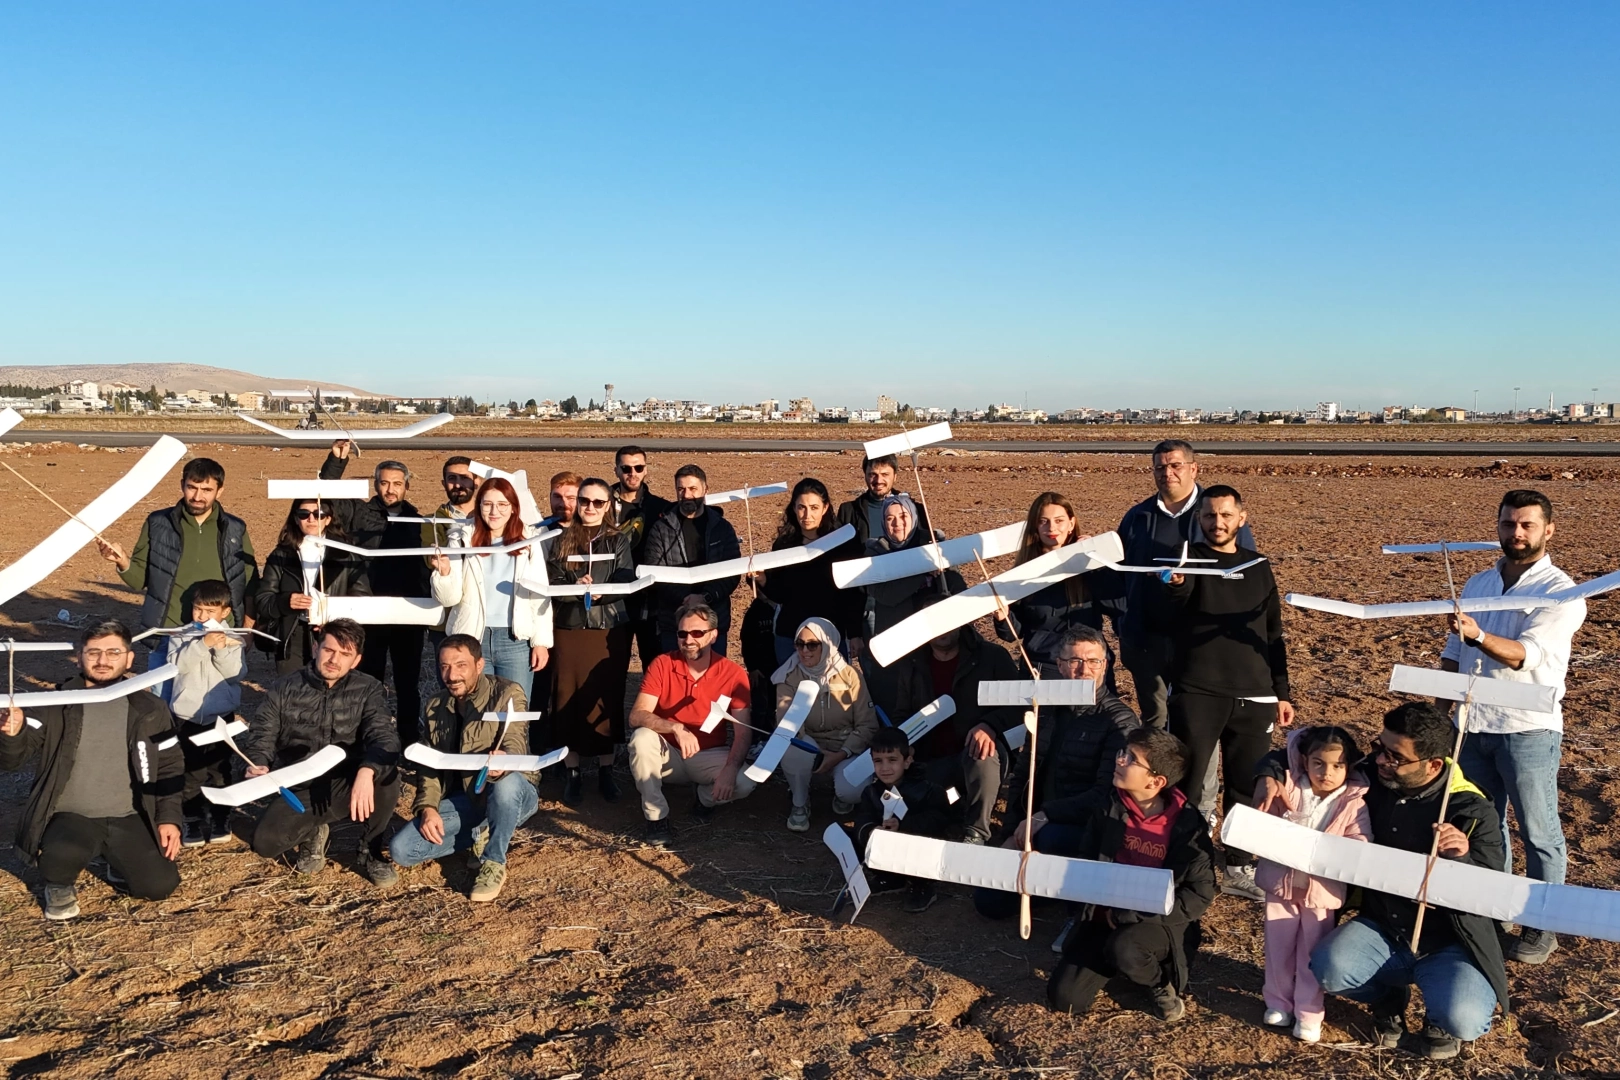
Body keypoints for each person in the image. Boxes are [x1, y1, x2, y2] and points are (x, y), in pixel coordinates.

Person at [1262, 702, 1508, 1061]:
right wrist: (1268, 773)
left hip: (1449, 941)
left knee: (1464, 1018)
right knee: (1329, 968)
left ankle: (1439, 1020)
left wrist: (1462, 857)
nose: (1380, 760)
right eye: (1380, 747)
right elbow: (1299, 755)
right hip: (1383, 928)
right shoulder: (1370, 780)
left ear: (1433, 765)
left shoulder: (1471, 810)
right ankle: (1387, 998)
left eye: (1395, 757)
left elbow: (1492, 892)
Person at [1440, 489, 1586, 966]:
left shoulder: (1562, 593)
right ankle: (1493, 911)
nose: (1516, 533)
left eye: (1527, 525)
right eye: (1508, 524)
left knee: (1539, 831)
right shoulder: (1479, 583)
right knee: (1486, 825)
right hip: (1472, 723)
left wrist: (1478, 635)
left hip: (1527, 729)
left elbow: (1526, 656)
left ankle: (1543, 924)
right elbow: (1453, 652)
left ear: (1549, 530)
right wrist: (1440, 714)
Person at [1156, 484, 1293, 901]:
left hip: (1255, 695)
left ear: (1241, 518)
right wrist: (1175, 584)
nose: (1218, 522)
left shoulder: (1259, 566)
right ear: (1199, 519)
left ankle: (1237, 864)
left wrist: (1281, 691)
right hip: (1199, 692)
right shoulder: (1187, 561)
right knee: (1188, 780)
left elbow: (1272, 634)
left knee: (1245, 786)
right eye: (1210, 515)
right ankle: (1182, 860)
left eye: (1226, 515)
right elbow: (1170, 610)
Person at [0, 621, 183, 920]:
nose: (103, 660)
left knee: (159, 885)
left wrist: (169, 818)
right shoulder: (54, 704)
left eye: (113, 652)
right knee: (61, 854)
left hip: (129, 815)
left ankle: (117, 863)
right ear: (79, 657)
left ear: (129, 659)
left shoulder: (151, 709)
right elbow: (12, 761)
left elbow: (170, 764)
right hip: (70, 815)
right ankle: (58, 884)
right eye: (93, 652)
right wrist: (13, 733)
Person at [1042, 729, 1216, 1023]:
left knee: (1125, 947)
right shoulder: (1110, 806)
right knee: (1066, 999)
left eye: (1131, 759)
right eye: (1123, 752)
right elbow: (1087, 861)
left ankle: (1159, 983)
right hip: (1105, 916)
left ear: (1156, 781)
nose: (1119, 760)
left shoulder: (1188, 828)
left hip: (1157, 922)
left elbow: (1198, 895)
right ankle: (1114, 960)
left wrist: (1131, 915)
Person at [242, 619, 402, 887]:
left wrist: (367, 770)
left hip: (347, 782)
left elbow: (384, 736)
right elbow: (262, 733)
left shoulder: (369, 688)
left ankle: (370, 850)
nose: (334, 660)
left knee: (386, 776)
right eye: (329, 650)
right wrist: (258, 762)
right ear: (316, 648)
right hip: (301, 786)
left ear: (356, 660)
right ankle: (312, 832)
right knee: (265, 844)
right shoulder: (284, 687)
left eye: (345, 654)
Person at [1112, 441, 1255, 729]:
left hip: (1200, 643)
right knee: (1155, 720)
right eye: (1160, 467)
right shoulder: (1137, 517)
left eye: (1176, 465)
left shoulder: (1217, 515)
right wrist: (1124, 623)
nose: (1168, 473)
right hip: (1146, 642)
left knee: (1197, 723)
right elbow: (1117, 575)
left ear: (1193, 468)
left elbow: (1243, 573)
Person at [390, 634, 538, 903]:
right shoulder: (435, 705)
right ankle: (482, 831)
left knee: (506, 785)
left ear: (479, 665)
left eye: (461, 665)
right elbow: (430, 765)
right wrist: (428, 808)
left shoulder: (507, 693)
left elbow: (516, 740)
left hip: (511, 793)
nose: (452, 675)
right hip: (465, 799)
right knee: (402, 850)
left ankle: (494, 861)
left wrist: (504, 761)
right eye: (444, 666)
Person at [1253, 725, 1371, 1044]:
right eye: (1318, 763)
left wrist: (1344, 850)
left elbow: (1361, 840)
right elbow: (1263, 821)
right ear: (1304, 761)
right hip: (1281, 886)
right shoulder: (1287, 787)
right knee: (1278, 947)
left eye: (1337, 765)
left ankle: (1309, 1011)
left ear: (1349, 767)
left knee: (1311, 952)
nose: (1327, 773)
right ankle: (1278, 1002)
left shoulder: (1354, 802)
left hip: (1321, 894)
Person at [95, 457, 258, 673]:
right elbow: (138, 580)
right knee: (164, 694)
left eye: (206, 490)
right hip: (169, 634)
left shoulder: (235, 528)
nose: (197, 496)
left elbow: (249, 584)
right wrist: (122, 561)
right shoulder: (158, 523)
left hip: (219, 635)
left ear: (220, 491)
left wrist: (247, 629)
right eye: (192, 487)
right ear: (182, 485)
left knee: (218, 694)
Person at [320, 444, 433, 744]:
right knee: (369, 680)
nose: (390, 489)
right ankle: (370, 740)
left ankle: (408, 741)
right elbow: (327, 493)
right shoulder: (359, 513)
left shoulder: (419, 522)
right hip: (368, 613)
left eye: (397, 483)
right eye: (384, 483)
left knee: (407, 684)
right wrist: (337, 461)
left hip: (408, 614)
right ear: (375, 484)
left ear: (407, 486)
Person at [887, 601, 1020, 844]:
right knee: (915, 809)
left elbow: (1019, 704)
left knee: (982, 753)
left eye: (947, 619)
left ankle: (976, 832)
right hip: (930, 760)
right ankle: (952, 811)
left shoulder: (992, 656)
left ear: (960, 621)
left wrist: (989, 725)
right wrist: (906, 746)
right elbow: (902, 714)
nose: (942, 628)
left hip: (976, 754)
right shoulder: (911, 664)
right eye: (933, 621)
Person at [626, 602, 756, 846]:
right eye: (682, 633)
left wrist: (730, 769)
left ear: (713, 635)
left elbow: (742, 732)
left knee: (745, 782)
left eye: (697, 633)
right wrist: (675, 728)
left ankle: (705, 798)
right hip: (668, 752)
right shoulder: (662, 664)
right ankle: (656, 817)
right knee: (641, 738)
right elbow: (637, 716)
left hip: (708, 753)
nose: (689, 640)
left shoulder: (733, 674)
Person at [997, 628, 1140, 846]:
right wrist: (1010, 832)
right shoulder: (1044, 709)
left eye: (1093, 661)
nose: (1084, 670)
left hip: (1084, 827)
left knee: (1046, 839)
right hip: (1037, 820)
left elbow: (1106, 793)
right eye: (1075, 661)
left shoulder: (1119, 720)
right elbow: (1023, 774)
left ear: (1105, 666)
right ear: (1060, 665)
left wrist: (1045, 814)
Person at [545, 476, 636, 807]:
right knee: (566, 696)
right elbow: (553, 577)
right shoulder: (561, 539)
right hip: (570, 629)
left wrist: (601, 592)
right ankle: (573, 773)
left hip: (607, 628)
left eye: (598, 502)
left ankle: (606, 771)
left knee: (606, 696)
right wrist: (575, 588)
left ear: (608, 505)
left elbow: (625, 575)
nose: (590, 507)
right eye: (584, 501)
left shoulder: (618, 540)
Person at [431, 477, 553, 704]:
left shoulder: (528, 539)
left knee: (513, 709)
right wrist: (444, 573)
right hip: (472, 638)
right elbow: (449, 598)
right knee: (474, 708)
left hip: (515, 640)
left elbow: (539, 594)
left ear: (513, 507)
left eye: (502, 504)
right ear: (479, 506)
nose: (494, 511)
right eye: (487, 504)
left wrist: (541, 642)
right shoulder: (461, 539)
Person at [859, 492, 963, 717]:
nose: (897, 523)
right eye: (890, 518)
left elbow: (958, 588)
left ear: (914, 517)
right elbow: (885, 594)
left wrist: (943, 570)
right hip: (896, 641)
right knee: (899, 705)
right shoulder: (875, 552)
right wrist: (920, 573)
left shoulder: (934, 545)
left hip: (935, 643)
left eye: (903, 516)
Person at [772, 618, 879, 832]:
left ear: (828, 644)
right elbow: (786, 722)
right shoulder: (789, 676)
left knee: (853, 790)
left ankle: (842, 794)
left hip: (845, 746)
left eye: (812, 645)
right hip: (809, 744)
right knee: (790, 746)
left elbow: (868, 724)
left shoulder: (851, 676)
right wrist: (816, 752)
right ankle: (800, 802)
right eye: (799, 644)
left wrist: (842, 753)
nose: (804, 651)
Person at [166, 580, 247, 847]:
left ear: (225, 612)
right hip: (187, 716)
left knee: (220, 769)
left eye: (210, 611)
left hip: (220, 717)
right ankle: (191, 818)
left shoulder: (234, 638)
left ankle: (220, 817)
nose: (202, 616)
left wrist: (220, 648)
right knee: (191, 771)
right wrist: (201, 645)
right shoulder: (181, 635)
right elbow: (176, 666)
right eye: (197, 609)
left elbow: (236, 674)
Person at [253, 499, 372, 675]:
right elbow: (263, 600)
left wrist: (334, 619)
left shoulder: (347, 555)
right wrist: (285, 602)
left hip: (334, 636)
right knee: (293, 688)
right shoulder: (281, 555)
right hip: (292, 635)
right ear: (296, 518)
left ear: (328, 519)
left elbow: (362, 600)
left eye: (318, 514)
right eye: (304, 514)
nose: (311, 519)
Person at [758, 478, 865, 666]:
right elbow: (780, 595)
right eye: (802, 507)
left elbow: (853, 594)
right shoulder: (784, 545)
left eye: (814, 508)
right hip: (790, 637)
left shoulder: (842, 543)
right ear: (794, 508)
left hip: (831, 635)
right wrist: (763, 580)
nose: (807, 515)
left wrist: (855, 633)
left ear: (825, 508)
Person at [995, 493, 1107, 672]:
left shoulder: (1091, 565)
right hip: (1041, 668)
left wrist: (1097, 565)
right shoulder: (1022, 573)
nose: (1052, 528)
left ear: (1071, 524)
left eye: (1059, 520)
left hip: (1089, 668)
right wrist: (1003, 617)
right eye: (1043, 521)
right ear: (1035, 526)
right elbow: (1013, 634)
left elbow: (1118, 606)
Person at [848, 726, 954, 914]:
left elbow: (940, 820)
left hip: (921, 854)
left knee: (926, 841)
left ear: (907, 761)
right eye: (878, 761)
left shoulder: (929, 789)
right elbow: (863, 818)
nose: (885, 768)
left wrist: (903, 825)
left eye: (892, 760)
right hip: (889, 852)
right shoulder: (871, 792)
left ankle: (922, 884)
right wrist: (871, 831)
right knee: (850, 835)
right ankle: (890, 877)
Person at [641, 465, 742, 655]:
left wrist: (705, 597)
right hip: (674, 625)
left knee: (712, 672)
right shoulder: (661, 529)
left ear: (705, 490)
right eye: (681, 489)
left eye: (693, 489)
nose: (686, 495)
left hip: (713, 623)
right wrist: (686, 600)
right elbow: (655, 572)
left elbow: (732, 572)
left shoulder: (722, 528)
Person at [610, 445, 672, 668]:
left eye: (638, 468)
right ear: (616, 470)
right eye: (626, 468)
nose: (632, 473)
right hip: (613, 599)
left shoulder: (662, 508)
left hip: (650, 599)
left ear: (646, 470)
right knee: (612, 666)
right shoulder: (600, 505)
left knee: (655, 664)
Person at [835, 453, 930, 544]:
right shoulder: (848, 511)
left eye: (885, 474)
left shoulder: (915, 510)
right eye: (872, 474)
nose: (879, 480)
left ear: (895, 477)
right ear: (865, 476)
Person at [423, 455, 479, 550]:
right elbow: (428, 552)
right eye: (452, 478)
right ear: (444, 484)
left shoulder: (493, 516)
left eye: (464, 478)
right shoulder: (431, 522)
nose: (457, 485)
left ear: (476, 483)